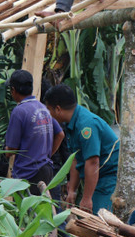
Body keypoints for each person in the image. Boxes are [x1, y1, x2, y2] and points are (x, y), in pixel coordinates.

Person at [43, 84, 120, 214]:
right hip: (95, 175)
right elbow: (75, 158)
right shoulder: (71, 123)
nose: (48, 115)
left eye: (48, 110)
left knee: (97, 219)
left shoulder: (86, 125)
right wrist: (72, 190)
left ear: (57, 109)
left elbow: (92, 162)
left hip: (107, 176)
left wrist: (87, 198)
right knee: (84, 217)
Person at [5, 69, 65, 195]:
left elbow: (11, 148)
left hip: (28, 173)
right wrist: (47, 155)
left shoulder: (19, 111)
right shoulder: (42, 108)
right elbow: (60, 134)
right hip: (46, 169)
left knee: (28, 212)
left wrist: (5, 152)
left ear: (13, 90)